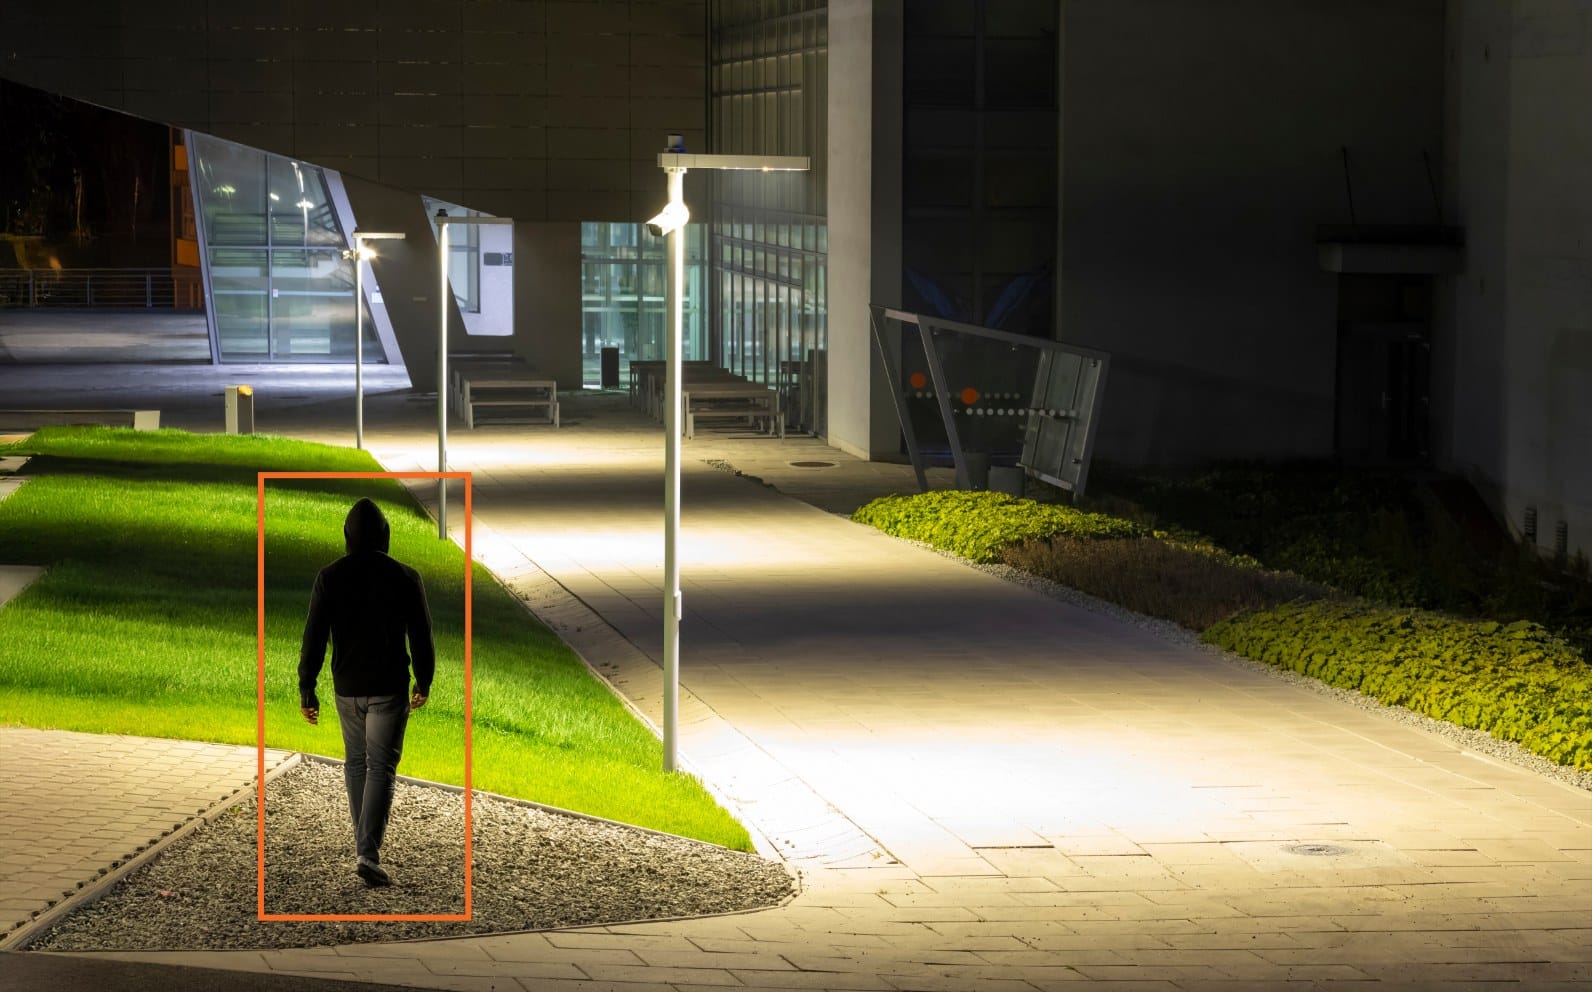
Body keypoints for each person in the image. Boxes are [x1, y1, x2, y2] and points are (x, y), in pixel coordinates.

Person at [299, 497, 434, 887]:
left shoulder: (330, 577)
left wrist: (307, 687)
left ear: (347, 537)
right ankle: (368, 853)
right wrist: (423, 681)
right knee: (381, 767)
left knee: (357, 764)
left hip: (347, 687)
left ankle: (364, 847)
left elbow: (314, 637)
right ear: (385, 536)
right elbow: (421, 638)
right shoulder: (406, 577)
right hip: (389, 687)